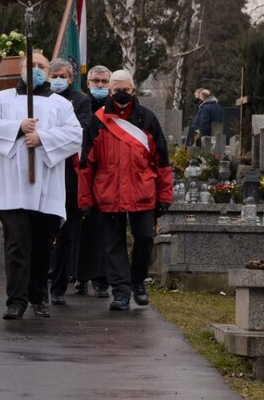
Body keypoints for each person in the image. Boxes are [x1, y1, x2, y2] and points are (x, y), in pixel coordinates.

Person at [0, 52, 83, 320]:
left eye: (41, 66)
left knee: (41, 245)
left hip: (47, 188)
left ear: (48, 72)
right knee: (16, 244)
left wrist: (43, 139)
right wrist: (18, 127)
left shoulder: (61, 105)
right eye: (31, 65)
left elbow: (75, 135)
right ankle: (16, 300)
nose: (35, 69)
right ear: (21, 69)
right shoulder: (2, 99)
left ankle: (38, 296)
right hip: (12, 188)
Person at [79, 69, 173, 311]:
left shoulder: (148, 119)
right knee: (113, 245)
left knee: (145, 238)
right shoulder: (98, 121)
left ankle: (138, 280)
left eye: (126, 90)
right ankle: (121, 292)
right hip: (107, 192)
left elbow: (162, 160)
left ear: (134, 91)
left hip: (142, 192)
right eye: (116, 90)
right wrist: (85, 200)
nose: (121, 94)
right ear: (110, 92)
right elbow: (86, 165)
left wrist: (165, 196)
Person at [46, 58, 92, 306]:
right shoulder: (38, 99)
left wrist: (49, 135)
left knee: (66, 237)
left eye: (63, 76)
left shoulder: (81, 102)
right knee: (43, 234)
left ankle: (59, 287)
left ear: (72, 78)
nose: (58, 80)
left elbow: (81, 132)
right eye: (53, 75)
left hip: (69, 178)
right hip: (43, 176)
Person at [74, 64, 111, 298]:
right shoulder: (80, 104)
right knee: (80, 229)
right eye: (95, 81)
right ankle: (80, 277)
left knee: (103, 230)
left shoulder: (114, 107)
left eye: (104, 82)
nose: (99, 85)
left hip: (106, 174)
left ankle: (101, 279)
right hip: (82, 170)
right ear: (87, 84)